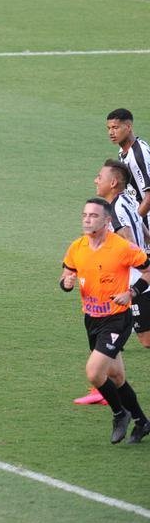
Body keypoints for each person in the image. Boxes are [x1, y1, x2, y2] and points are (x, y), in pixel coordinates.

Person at [59, 197, 150, 444]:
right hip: (92, 320)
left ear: (107, 220)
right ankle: (142, 423)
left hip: (117, 319)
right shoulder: (77, 247)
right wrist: (65, 283)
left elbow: (148, 269)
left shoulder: (121, 247)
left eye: (94, 215)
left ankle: (120, 414)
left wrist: (131, 293)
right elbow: (67, 273)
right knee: (117, 378)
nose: (88, 219)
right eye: (85, 215)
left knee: (94, 373)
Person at [74, 161, 149, 405]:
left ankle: (102, 384)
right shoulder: (127, 199)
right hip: (134, 279)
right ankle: (102, 385)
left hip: (132, 283)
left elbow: (127, 241)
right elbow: (141, 228)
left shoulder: (115, 209)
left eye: (99, 177)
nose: (96, 180)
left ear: (113, 182)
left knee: (143, 337)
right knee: (120, 335)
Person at [106, 108, 150, 226]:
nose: (111, 132)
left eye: (115, 127)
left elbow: (149, 197)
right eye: (109, 128)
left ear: (128, 127)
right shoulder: (123, 151)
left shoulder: (138, 154)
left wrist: (134, 221)